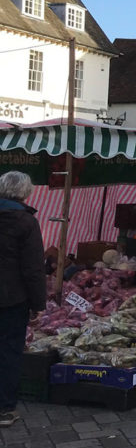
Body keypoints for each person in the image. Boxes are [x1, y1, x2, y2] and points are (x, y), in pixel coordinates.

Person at [0, 172, 46, 427]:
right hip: (11, 299)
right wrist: (39, 304)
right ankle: (4, 410)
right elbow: (33, 268)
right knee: (8, 352)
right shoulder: (25, 222)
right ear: (26, 193)